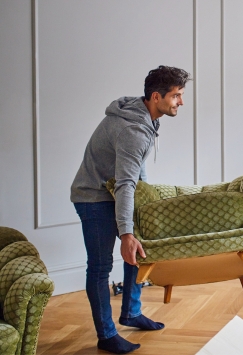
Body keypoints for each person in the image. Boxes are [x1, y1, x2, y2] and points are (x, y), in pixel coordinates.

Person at [70, 65, 191, 354]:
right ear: (156, 96)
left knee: (138, 253)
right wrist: (126, 232)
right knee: (100, 268)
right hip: (94, 198)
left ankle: (131, 313)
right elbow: (126, 182)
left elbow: (136, 170)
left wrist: (146, 204)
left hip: (115, 193)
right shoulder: (133, 128)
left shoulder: (143, 116)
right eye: (176, 96)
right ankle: (106, 334)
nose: (181, 102)